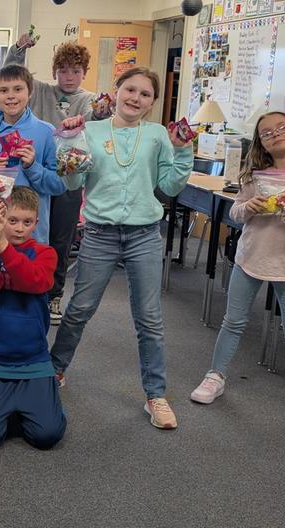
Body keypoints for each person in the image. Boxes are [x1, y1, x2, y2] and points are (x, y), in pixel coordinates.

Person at [48, 67, 192, 430]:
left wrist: (184, 150)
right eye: (130, 90)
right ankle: (55, 370)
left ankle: (155, 395)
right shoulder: (91, 131)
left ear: (152, 102)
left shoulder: (158, 135)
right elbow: (73, 180)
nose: (136, 98)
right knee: (80, 308)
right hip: (99, 233)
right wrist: (67, 141)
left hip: (144, 235)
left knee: (150, 320)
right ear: (116, 92)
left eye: (145, 94)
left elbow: (171, 186)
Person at [190, 112, 285, 427]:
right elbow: (235, 211)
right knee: (233, 322)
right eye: (266, 133)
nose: (275, 134)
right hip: (250, 260)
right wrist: (249, 208)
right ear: (261, 143)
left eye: (282, 128)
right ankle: (215, 376)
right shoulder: (254, 177)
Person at [4, 34, 112, 325]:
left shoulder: (89, 100)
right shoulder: (40, 92)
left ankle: (53, 294)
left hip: (67, 178)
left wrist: (102, 113)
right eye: (63, 70)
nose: (69, 76)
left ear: (84, 73)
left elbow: (100, 120)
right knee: (28, 233)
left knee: (60, 240)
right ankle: (22, 286)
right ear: (55, 71)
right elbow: (12, 74)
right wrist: (19, 48)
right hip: (37, 175)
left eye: (75, 71)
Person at [0, 186, 66, 450]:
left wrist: (3, 245)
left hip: (32, 357)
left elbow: (34, 282)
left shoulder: (45, 253)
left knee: (47, 436)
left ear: (36, 224)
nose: (19, 228)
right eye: (12, 220)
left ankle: (10, 407)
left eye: (27, 222)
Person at [0, 64, 66, 244]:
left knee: (25, 272)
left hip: (29, 234)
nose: (11, 95)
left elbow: (59, 185)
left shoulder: (47, 133)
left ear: (30, 93)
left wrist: (32, 167)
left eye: (18, 89)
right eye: (3, 90)